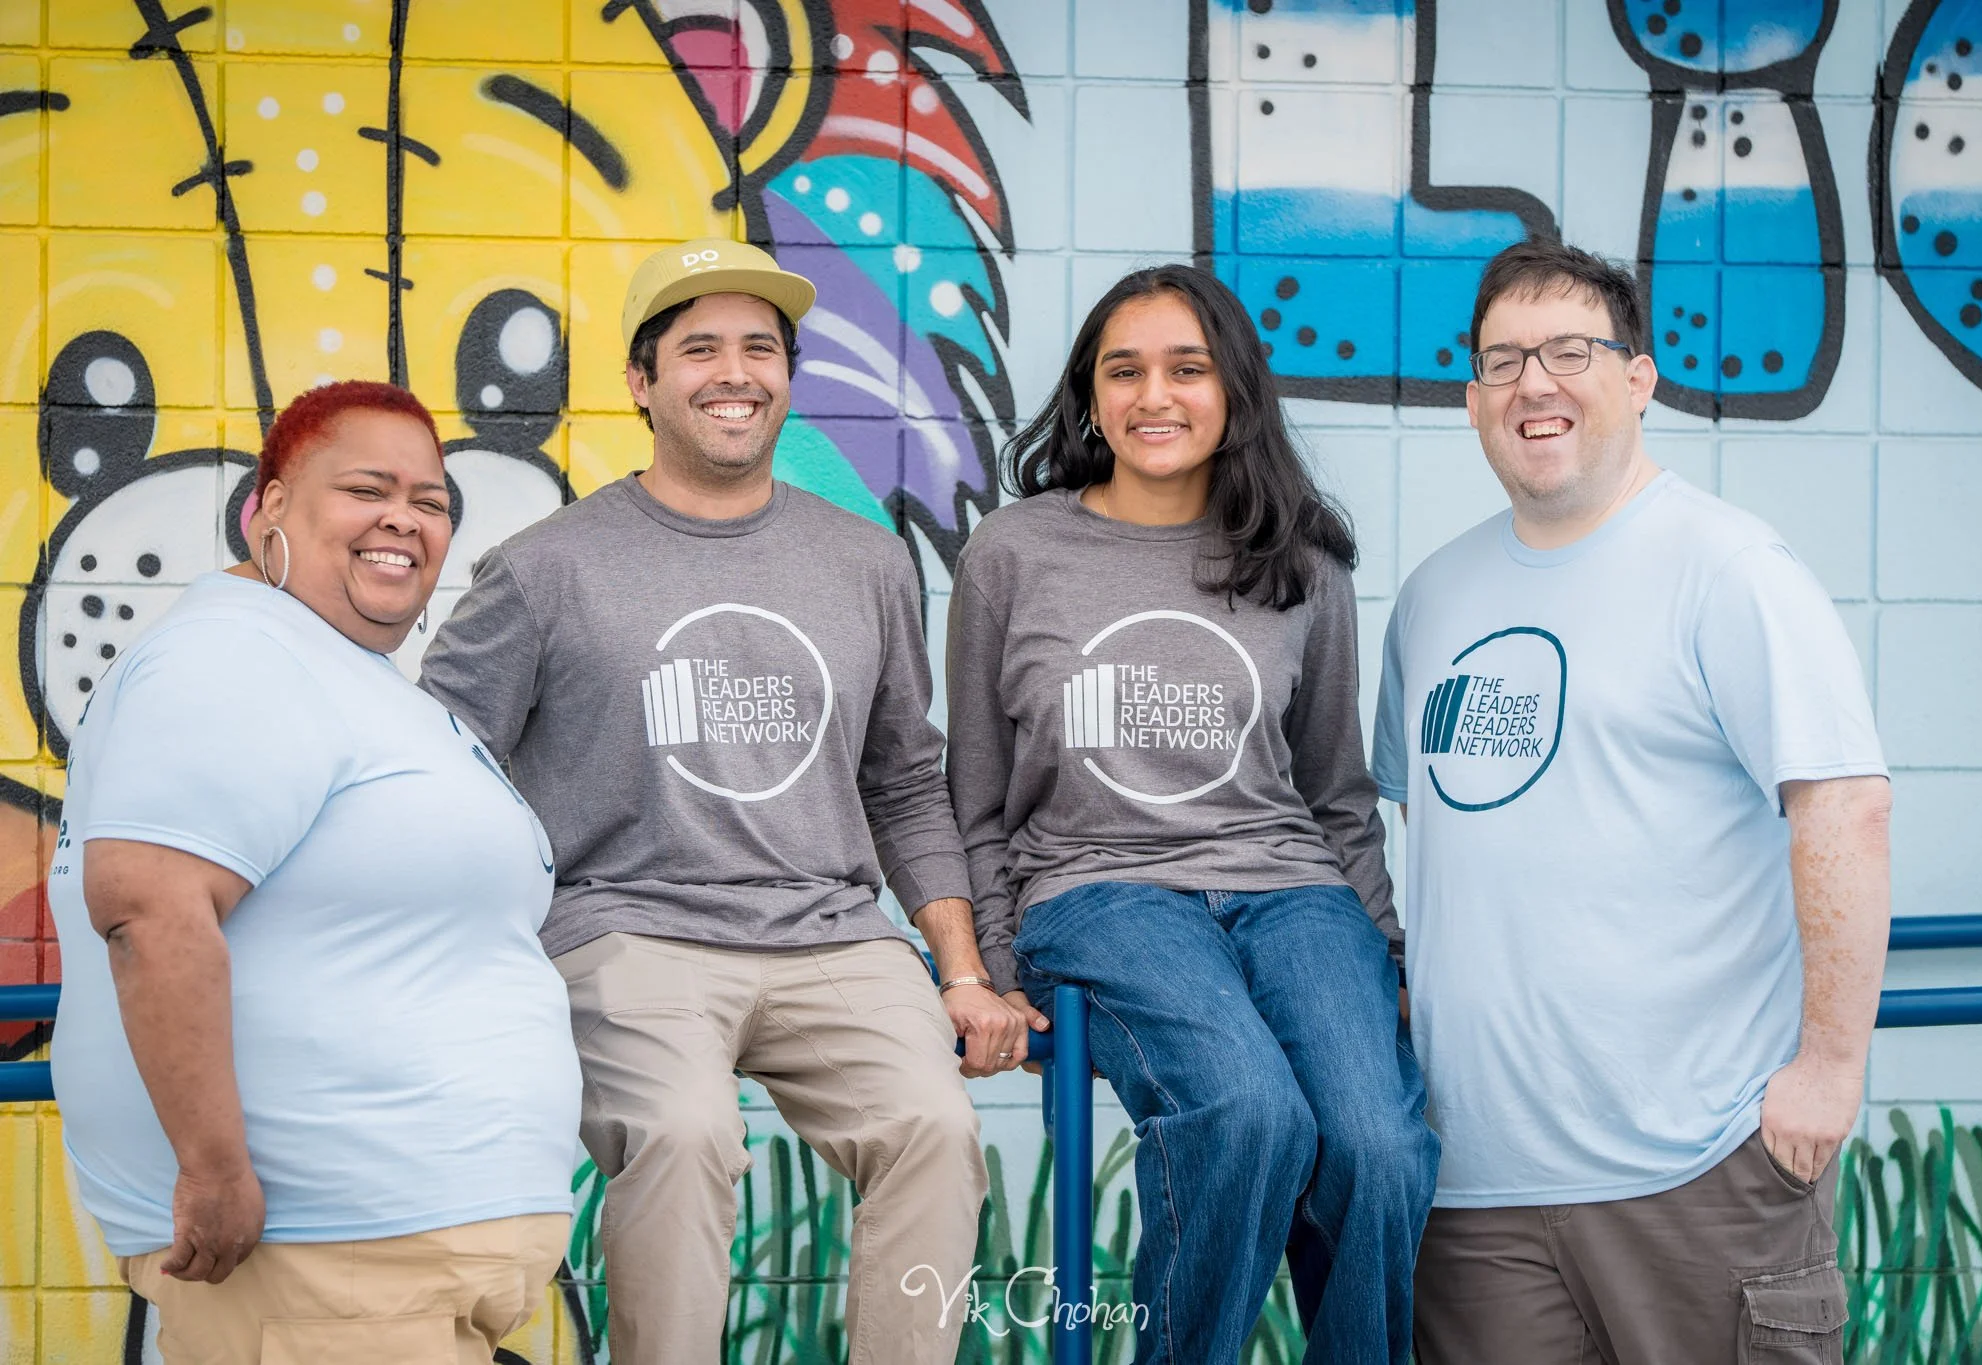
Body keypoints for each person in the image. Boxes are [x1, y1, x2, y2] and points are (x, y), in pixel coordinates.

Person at [419, 239, 1015, 1363]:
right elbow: (438, 766)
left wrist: (962, 970)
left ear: (789, 375)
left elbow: (900, 778)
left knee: (936, 1129)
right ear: (642, 383)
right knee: (684, 1134)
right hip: (626, 931)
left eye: (759, 347)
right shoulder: (547, 566)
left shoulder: (866, 560)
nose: (732, 372)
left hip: (831, 934)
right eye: (698, 348)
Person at [1373, 237, 1890, 1362]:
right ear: (1470, 398)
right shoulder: (1431, 599)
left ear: (1638, 378)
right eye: (1502, 360)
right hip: (1474, 1188)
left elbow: (1842, 809)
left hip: (1696, 1166)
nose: (1534, 384)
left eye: (1569, 350)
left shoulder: (1729, 570)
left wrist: (1827, 1070)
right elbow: (1429, 831)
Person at [947, 263, 1437, 1364]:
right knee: (1249, 1116)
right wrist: (991, 964)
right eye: (1122, 371)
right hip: (1096, 891)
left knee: (1377, 1146)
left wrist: (1386, 956)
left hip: (1293, 895)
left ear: (1233, 395)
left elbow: (1332, 792)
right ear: (1087, 396)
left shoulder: (1301, 561)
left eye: (1186, 368)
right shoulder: (1013, 553)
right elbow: (974, 796)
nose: (1153, 396)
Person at [48, 380, 580, 1362]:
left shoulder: (334, 670)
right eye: (365, 489)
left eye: (430, 502)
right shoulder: (236, 652)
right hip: (325, 1257)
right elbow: (150, 908)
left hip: (385, 1260)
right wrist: (211, 1172)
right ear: (269, 508)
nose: (403, 518)